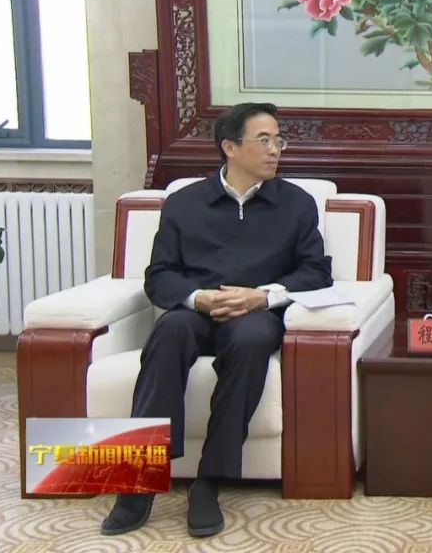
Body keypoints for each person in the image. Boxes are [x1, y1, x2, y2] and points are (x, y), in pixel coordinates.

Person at [100, 102, 332, 537]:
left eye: (278, 140)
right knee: (169, 330)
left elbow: (316, 272)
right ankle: (137, 480)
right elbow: (160, 275)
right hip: (196, 312)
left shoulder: (296, 204)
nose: (275, 150)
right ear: (230, 147)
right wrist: (198, 298)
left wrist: (261, 296)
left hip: (255, 315)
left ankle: (209, 481)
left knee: (250, 340)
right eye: (264, 140)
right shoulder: (184, 203)